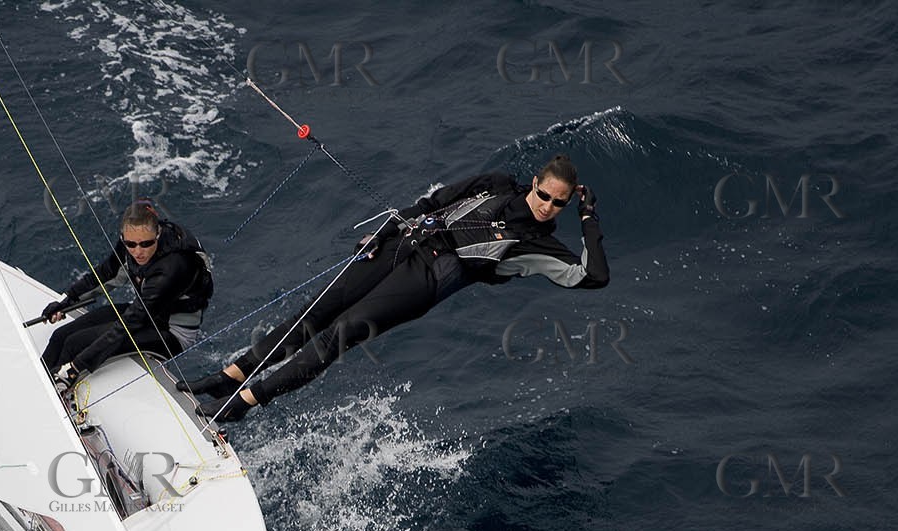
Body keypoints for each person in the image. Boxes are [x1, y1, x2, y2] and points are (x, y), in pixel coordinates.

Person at [178, 154, 609, 420]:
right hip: (402, 243)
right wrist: (384, 231)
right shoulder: (496, 183)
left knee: (336, 336)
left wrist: (589, 220)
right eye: (545, 195)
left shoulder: (539, 244)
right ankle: (227, 376)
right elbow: (433, 202)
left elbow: (592, 276)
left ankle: (242, 404)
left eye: (560, 204)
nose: (547, 207)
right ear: (535, 182)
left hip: (427, 279)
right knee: (315, 313)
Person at [38, 201, 213, 383]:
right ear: (123, 237)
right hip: (146, 313)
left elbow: (130, 324)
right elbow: (106, 274)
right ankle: (38, 382)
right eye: (131, 244)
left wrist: (74, 368)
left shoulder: (173, 267)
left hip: (171, 333)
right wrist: (65, 302)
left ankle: (59, 390)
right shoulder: (131, 243)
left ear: (158, 233)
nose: (138, 252)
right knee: (60, 336)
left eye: (146, 244)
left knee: (75, 344)